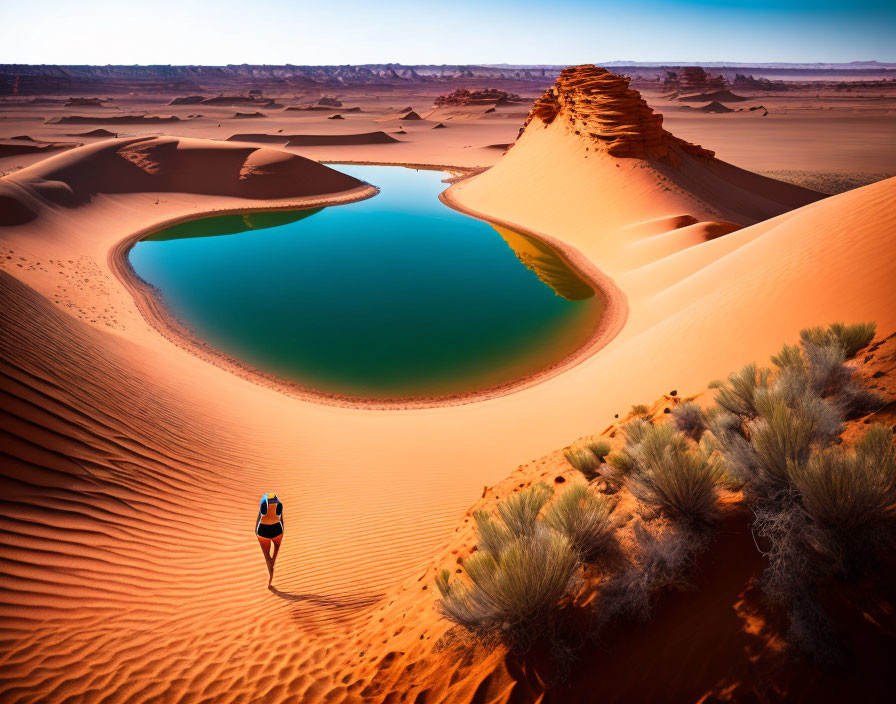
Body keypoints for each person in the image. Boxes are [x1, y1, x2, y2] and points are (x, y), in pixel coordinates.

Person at [256, 492, 284, 588]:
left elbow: (259, 519)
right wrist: (282, 532)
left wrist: (256, 532)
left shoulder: (263, 504)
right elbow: (281, 520)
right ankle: (273, 562)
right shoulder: (279, 504)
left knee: (266, 555)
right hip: (277, 529)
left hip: (262, 530)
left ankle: (270, 578)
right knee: (276, 550)